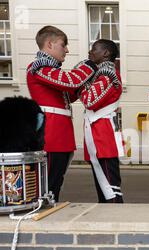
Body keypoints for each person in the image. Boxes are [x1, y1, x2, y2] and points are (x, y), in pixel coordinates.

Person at [26, 26, 98, 202]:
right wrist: (88, 65)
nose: (66, 50)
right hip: (51, 135)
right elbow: (72, 81)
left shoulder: (53, 71)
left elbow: (68, 94)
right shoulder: (39, 67)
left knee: (56, 182)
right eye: (63, 45)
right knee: (47, 185)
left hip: (61, 134)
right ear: (50, 44)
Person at [79, 39, 124, 203]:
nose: (90, 52)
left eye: (94, 49)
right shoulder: (100, 75)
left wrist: (81, 82)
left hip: (103, 138)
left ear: (106, 53)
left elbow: (89, 100)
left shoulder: (107, 75)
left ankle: (115, 223)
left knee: (110, 190)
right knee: (103, 189)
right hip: (99, 136)